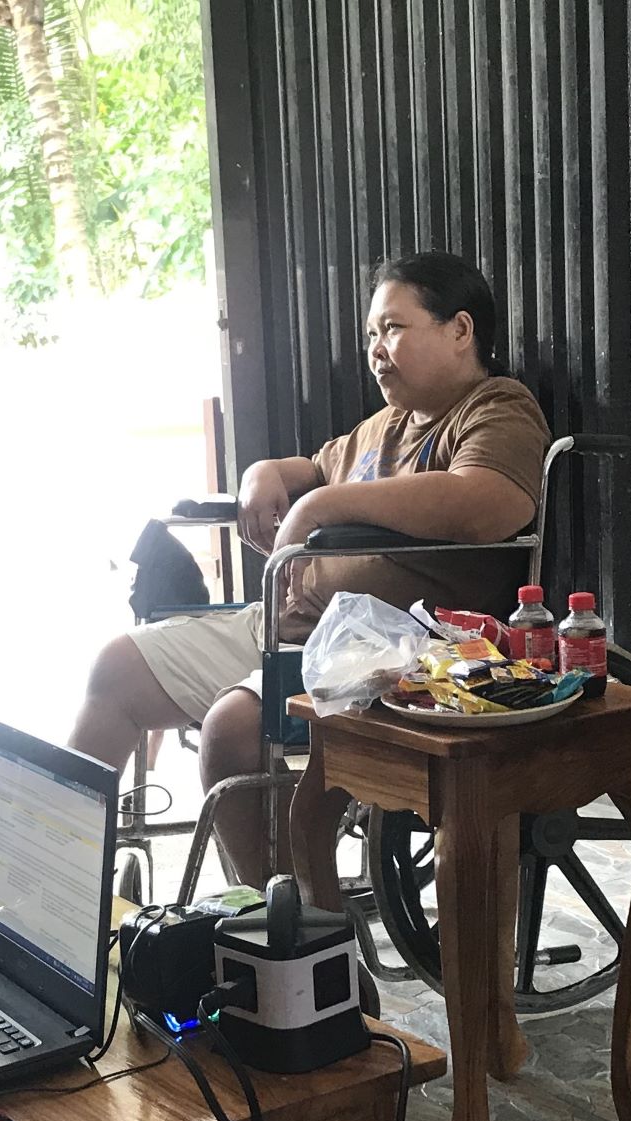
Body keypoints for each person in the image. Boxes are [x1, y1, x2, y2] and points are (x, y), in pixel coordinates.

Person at [69, 251, 550, 881]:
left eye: (395, 329)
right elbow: (311, 468)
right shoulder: (387, 425)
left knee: (232, 728)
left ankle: (282, 938)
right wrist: (260, 475)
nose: (377, 349)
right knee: (117, 666)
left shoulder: (495, 409)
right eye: (372, 334)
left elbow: (490, 503)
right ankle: (60, 885)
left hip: (397, 648)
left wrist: (323, 504)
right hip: (293, 626)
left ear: (460, 330)